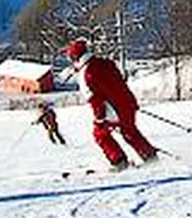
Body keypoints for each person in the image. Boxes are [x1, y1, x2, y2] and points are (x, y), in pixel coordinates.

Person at [62, 38, 159, 170]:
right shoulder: (105, 63)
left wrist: (100, 119)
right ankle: (150, 157)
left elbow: (95, 100)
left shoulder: (86, 73)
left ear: (75, 57)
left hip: (113, 110)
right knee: (129, 131)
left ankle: (118, 161)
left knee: (100, 134)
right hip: (128, 103)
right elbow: (119, 82)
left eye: (70, 57)